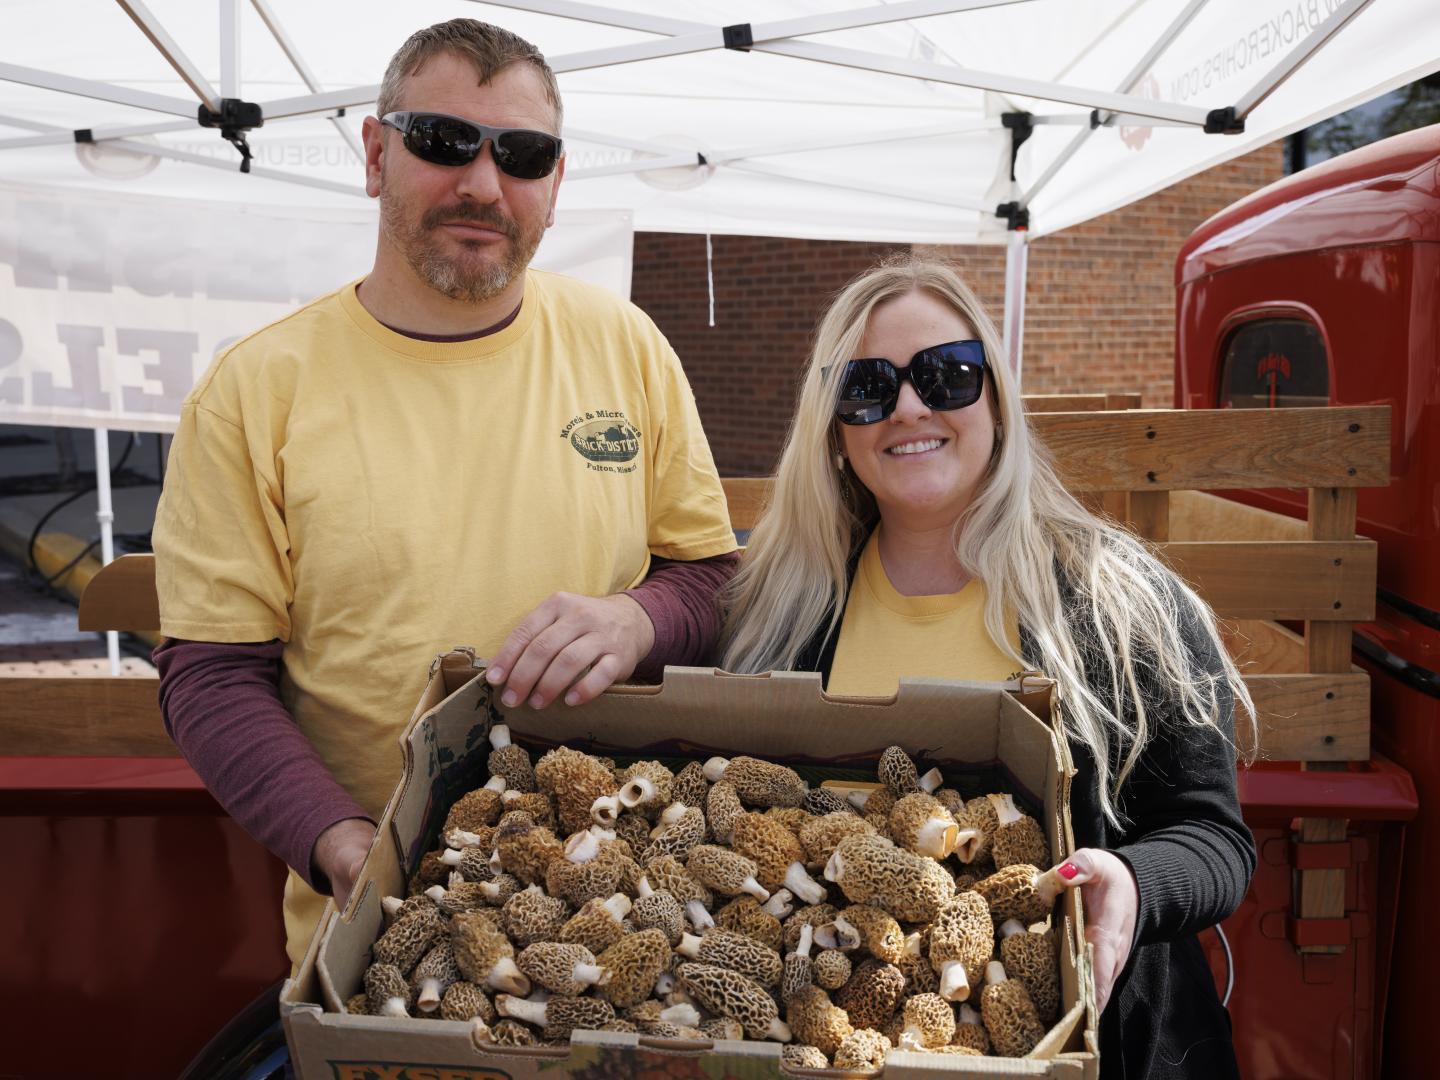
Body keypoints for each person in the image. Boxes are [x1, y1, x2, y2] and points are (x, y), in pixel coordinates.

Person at [152, 19, 737, 970]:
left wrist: (638, 620)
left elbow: (709, 575)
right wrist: (344, 843)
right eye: (442, 141)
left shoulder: (625, 346)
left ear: (554, 180)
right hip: (378, 924)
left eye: (522, 153)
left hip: (619, 917)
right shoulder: (257, 390)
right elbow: (213, 676)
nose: (481, 182)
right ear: (377, 155)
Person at [719, 256, 1254, 1078]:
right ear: (835, 428)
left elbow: (1214, 836)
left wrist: (1134, 881)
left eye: (946, 374)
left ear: (997, 401)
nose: (907, 406)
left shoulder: (1117, 604)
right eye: (867, 386)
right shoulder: (782, 616)